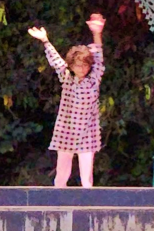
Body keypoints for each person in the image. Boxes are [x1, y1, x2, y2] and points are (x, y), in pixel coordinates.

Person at [27, 14, 106, 188]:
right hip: (67, 131)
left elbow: (98, 56)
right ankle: (57, 204)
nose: (82, 69)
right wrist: (45, 41)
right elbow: (56, 61)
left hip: (87, 132)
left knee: (87, 178)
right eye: (78, 65)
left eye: (85, 65)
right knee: (62, 174)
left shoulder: (94, 79)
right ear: (71, 66)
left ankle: (88, 208)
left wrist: (96, 33)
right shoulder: (68, 79)